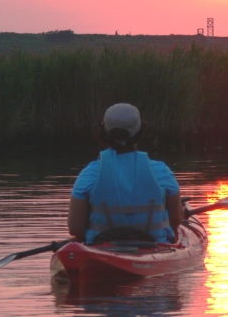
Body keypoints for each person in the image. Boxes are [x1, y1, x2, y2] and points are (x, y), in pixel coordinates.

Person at [68, 103, 182, 244]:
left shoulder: (88, 175)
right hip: (155, 248)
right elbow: (176, 220)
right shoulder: (162, 172)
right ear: (140, 132)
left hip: (101, 250)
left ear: (103, 132)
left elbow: (76, 229)